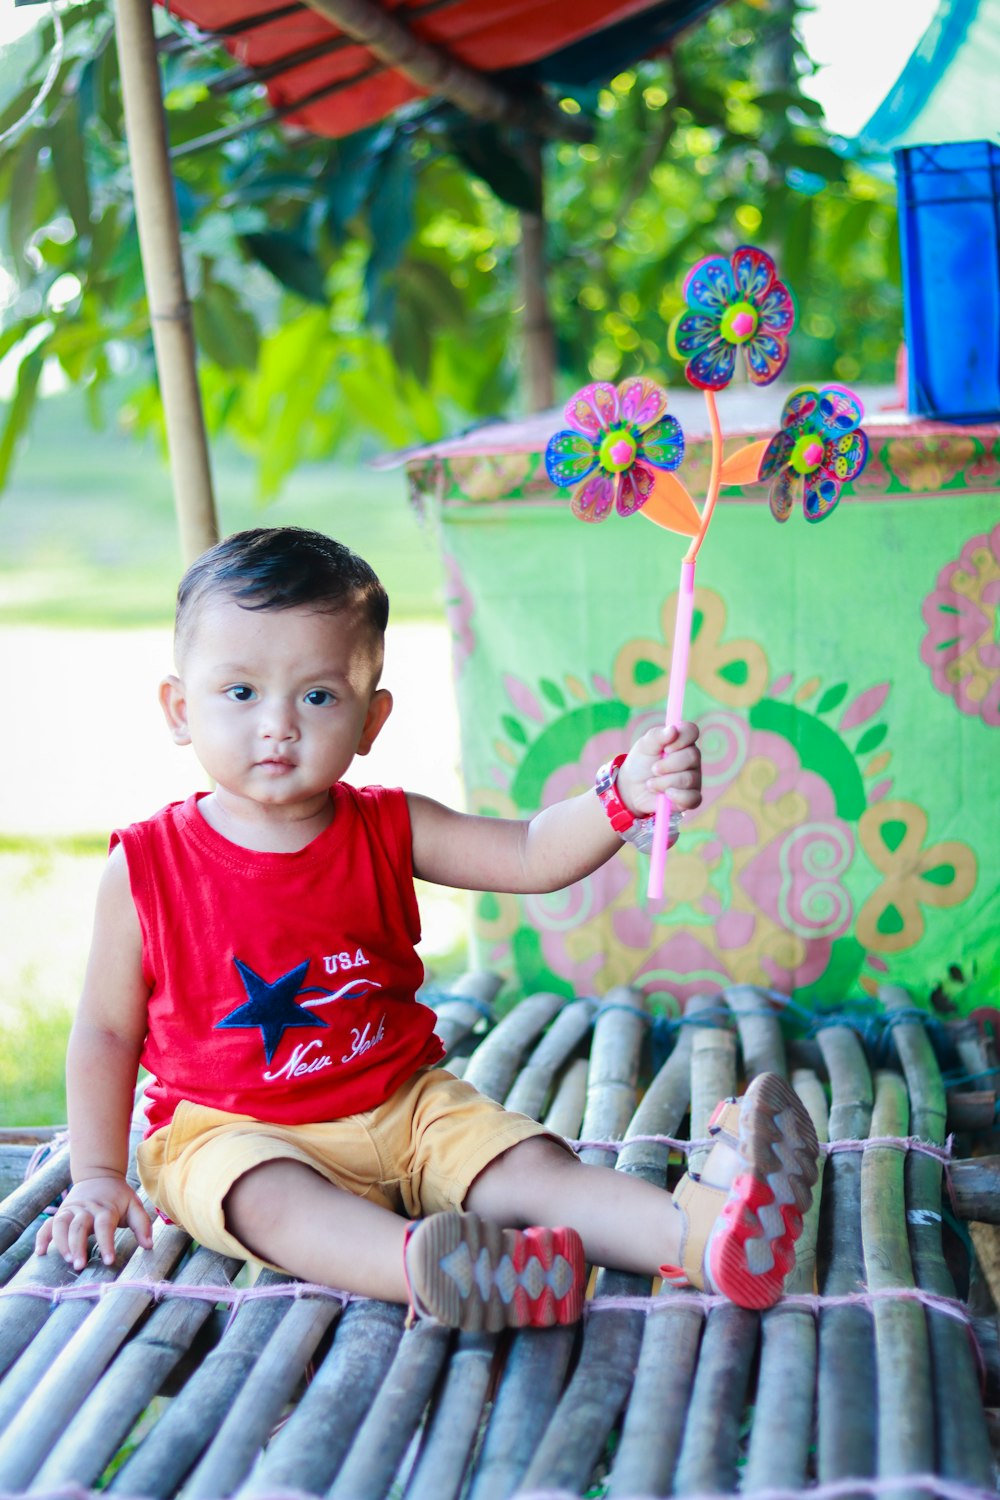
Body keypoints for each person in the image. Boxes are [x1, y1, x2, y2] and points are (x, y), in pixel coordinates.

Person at [36, 526, 819, 1326]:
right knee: (268, 1201)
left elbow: (528, 853)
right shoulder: (145, 866)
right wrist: (100, 1172)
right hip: (231, 1130)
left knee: (524, 1162)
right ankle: (440, 1270)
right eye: (240, 693)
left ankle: (697, 1235)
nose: (278, 724)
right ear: (179, 708)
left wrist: (623, 797)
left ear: (371, 721)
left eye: (317, 696)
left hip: (406, 1105)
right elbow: (103, 1031)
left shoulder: (389, 826)